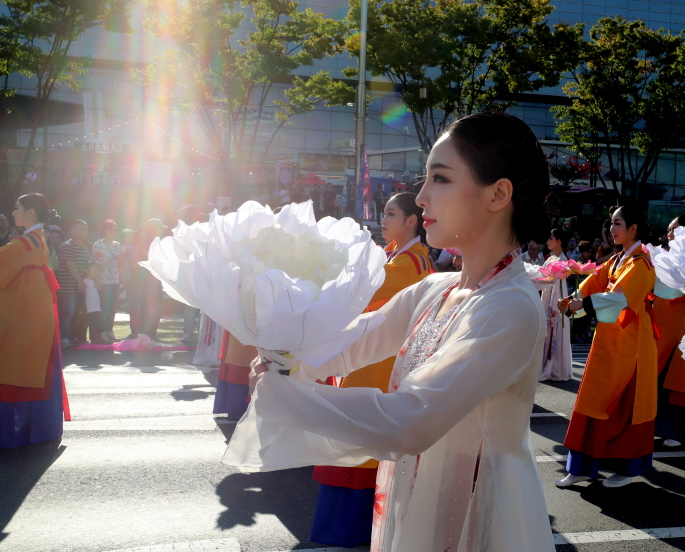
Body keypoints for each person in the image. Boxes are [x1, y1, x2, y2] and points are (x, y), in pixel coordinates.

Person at [226, 112, 555, 552]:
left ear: (498, 193)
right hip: (416, 492)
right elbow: (352, 341)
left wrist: (286, 396)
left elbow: (411, 421)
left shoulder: (510, 306)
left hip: (480, 511)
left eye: (439, 179)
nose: (421, 198)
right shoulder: (436, 289)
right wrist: (284, 359)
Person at [310, 192, 433, 548]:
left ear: (412, 220)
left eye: (391, 213)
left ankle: (348, 531)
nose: (384, 219)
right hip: (376, 361)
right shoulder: (405, 257)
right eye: (384, 212)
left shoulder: (409, 262)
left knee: (356, 445)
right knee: (363, 445)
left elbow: (359, 292)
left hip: (377, 365)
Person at [557, 204, 657, 488]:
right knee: (591, 400)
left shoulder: (642, 262)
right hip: (608, 339)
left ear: (633, 228)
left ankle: (628, 469)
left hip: (632, 345)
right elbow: (592, 284)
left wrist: (582, 305)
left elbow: (618, 298)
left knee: (624, 406)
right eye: (612, 224)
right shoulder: (618, 260)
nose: (611, 230)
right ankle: (578, 466)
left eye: (617, 224)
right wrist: (571, 301)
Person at [0, 193, 70, 448]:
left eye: (17, 208)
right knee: (30, 369)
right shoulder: (36, 239)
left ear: (31, 213)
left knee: (16, 367)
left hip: (27, 316)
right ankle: (34, 429)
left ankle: (19, 432)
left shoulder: (26, 242)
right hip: (33, 313)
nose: (13, 212)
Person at [652, 214, 685, 447]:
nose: (669, 234)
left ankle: (676, 432)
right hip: (663, 328)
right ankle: (660, 427)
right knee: (658, 379)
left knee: (681, 384)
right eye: (668, 229)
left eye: (674, 230)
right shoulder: (662, 255)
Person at [538, 228, 572, 381]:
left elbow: (559, 286)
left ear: (559, 241)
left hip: (554, 299)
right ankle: (545, 365)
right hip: (547, 296)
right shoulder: (551, 259)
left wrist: (554, 307)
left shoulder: (562, 261)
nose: (548, 241)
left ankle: (553, 367)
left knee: (554, 331)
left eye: (551, 238)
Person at [57, 220, 91, 348]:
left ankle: (75, 337)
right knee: (68, 313)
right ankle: (65, 338)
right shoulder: (67, 245)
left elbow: (87, 266)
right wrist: (79, 281)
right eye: (76, 228)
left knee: (78, 313)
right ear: (71, 231)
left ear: (86, 232)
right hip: (67, 286)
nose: (79, 230)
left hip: (80, 286)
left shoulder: (85, 248)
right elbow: (70, 264)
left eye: (82, 228)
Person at [92, 220, 123, 342]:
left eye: (115, 230)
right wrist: (113, 258)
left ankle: (110, 330)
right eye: (110, 230)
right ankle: (102, 332)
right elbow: (97, 264)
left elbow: (120, 263)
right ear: (104, 231)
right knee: (104, 307)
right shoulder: (98, 245)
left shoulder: (118, 244)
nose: (113, 232)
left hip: (115, 279)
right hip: (103, 279)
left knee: (113, 307)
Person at [82, 262, 107, 344]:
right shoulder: (84, 281)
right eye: (93, 269)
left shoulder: (95, 282)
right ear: (86, 271)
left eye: (96, 270)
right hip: (89, 308)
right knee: (91, 323)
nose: (95, 271)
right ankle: (92, 338)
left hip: (96, 307)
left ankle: (97, 337)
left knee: (96, 322)